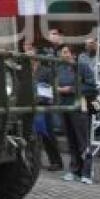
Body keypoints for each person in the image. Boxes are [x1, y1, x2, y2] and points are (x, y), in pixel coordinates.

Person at [40, 44, 97, 184]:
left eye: (65, 52)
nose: (63, 55)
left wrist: (71, 89)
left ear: (73, 54)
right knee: (71, 141)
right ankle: (74, 169)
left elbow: (91, 86)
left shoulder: (82, 66)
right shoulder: (58, 68)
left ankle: (87, 172)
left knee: (83, 141)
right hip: (64, 107)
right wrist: (56, 90)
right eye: (61, 52)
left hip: (79, 107)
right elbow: (53, 86)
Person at [25, 40, 63, 171]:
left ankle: (56, 161)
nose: (30, 58)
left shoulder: (46, 71)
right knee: (32, 134)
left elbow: (51, 88)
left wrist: (48, 100)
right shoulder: (25, 71)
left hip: (43, 104)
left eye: (32, 55)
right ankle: (35, 161)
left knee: (48, 134)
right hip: (29, 105)